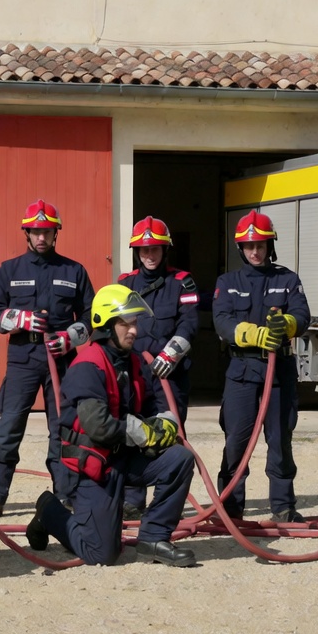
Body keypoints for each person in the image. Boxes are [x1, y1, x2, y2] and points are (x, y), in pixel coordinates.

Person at [23, 284, 195, 567]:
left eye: (135, 322)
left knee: (179, 458)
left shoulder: (135, 361)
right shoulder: (87, 365)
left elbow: (155, 405)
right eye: (125, 324)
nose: (134, 331)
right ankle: (49, 511)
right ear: (105, 326)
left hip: (123, 458)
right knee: (101, 554)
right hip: (95, 466)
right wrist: (145, 433)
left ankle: (153, 539)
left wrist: (165, 424)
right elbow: (98, 426)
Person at [0, 200, 94, 517]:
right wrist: (20, 319)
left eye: (46, 231)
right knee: (9, 426)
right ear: (26, 233)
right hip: (23, 358)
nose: (41, 237)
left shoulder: (74, 270)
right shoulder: (9, 270)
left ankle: (65, 494)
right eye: (35, 231)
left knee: (63, 429)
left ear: (55, 232)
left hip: (61, 361)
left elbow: (92, 316)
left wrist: (71, 337)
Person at [212, 210, 311, 523]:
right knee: (236, 441)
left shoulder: (288, 279)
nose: (255, 251)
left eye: (261, 245)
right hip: (241, 374)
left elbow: (303, 316)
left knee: (280, 441)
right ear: (241, 248)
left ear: (270, 246)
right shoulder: (228, 282)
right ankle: (230, 506)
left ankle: (282, 506)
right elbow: (222, 321)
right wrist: (253, 334)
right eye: (249, 245)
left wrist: (287, 324)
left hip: (278, 373)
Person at [117, 216, 199, 520]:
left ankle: (166, 504)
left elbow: (190, 323)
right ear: (137, 252)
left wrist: (172, 353)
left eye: (155, 250)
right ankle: (132, 500)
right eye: (144, 250)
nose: (149, 255)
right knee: (132, 434)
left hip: (169, 376)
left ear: (165, 251)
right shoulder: (124, 284)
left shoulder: (182, 282)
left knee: (170, 437)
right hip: (135, 376)